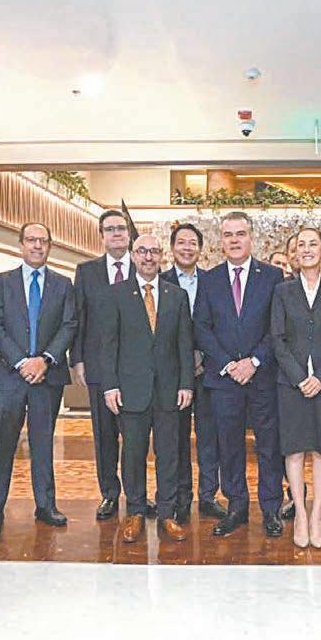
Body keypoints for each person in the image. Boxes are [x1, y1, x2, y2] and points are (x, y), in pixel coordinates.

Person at [0, 223, 77, 536]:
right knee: (3, 445)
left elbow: (69, 325)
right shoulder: (0, 283)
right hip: (9, 376)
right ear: (21, 244)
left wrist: (45, 360)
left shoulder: (63, 284)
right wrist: (22, 361)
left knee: (43, 443)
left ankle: (46, 505)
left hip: (47, 377)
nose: (37, 246)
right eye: (31, 240)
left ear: (50, 246)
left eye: (43, 241)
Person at [194, 211, 285, 537]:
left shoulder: (272, 276)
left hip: (262, 377)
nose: (234, 240)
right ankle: (237, 506)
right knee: (228, 445)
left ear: (251, 238)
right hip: (224, 380)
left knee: (269, 446)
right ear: (221, 240)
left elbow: (278, 327)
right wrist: (229, 364)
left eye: (240, 234)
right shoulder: (209, 279)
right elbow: (201, 327)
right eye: (228, 234)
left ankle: (271, 508)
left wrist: (254, 361)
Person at [102, 234, 194, 543]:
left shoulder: (176, 295)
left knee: (169, 453)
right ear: (133, 255)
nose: (148, 257)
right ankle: (136, 512)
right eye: (142, 251)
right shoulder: (116, 294)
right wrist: (110, 386)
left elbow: (184, 344)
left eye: (154, 251)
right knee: (133, 453)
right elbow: (108, 345)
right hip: (131, 390)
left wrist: (186, 383)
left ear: (162, 256)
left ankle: (167, 513)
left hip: (169, 390)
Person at [271, 227, 321, 548]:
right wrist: (298, 377)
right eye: (301, 245)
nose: (306, 249)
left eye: (312, 244)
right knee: (293, 451)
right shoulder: (282, 291)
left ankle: (317, 514)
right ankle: (300, 515)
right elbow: (277, 339)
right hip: (291, 385)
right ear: (294, 253)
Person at [71, 209, 138, 521]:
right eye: (110, 229)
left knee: (135, 437)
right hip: (98, 366)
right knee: (105, 435)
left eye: (121, 228)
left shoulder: (144, 267)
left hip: (137, 369)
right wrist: (78, 359)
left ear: (129, 233)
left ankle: (137, 494)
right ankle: (109, 493)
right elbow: (79, 318)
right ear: (101, 236)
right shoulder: (87, 272)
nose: (117, 233)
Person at [160, 223, 226, 523]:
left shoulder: (213, 281)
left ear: (201, 248)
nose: (187, 248)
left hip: (209, 371)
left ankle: (208, 495)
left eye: (192, 243)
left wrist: (203, 356)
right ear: (172, 247)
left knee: (209, 436)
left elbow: (217, 325)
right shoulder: (160, 282)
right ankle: (181, 497)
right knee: (177, 438)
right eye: (181, 243)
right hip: (173, 376)